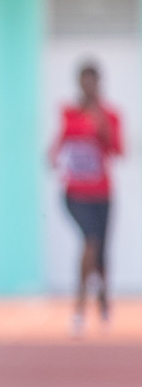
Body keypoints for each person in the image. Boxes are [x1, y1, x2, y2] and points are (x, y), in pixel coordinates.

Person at [50, 61, 123, 336]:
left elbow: (117, 149)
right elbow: (63, 142)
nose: (88, 86)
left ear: (99, 83)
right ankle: (79, 310)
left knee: (101, 254)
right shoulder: (69, 113)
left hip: (102, 195)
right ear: (79, 83)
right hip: (74, 194)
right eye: (84, 81)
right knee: (90, 242)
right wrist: (54, 154)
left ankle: (103, 297)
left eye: (93, 81)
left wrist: (99, 121)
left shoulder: (110, 115)